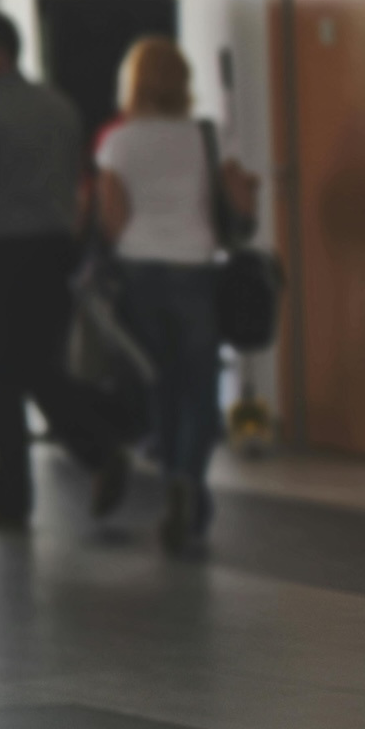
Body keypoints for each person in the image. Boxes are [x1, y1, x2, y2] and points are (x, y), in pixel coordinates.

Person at [0, 9, 130, 531]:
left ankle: (11, 497)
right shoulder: (61, 107)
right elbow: (79, 185)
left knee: (4, 380)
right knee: (43, 367)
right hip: (56, 252)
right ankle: (99, 448)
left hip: (6, 255)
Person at [95, 37, 256, 549]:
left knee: (159, 385)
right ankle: (189, 479)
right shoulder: (207, 137)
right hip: (195, 270)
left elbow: (113, 221)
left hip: (140, 272)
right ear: (185, 81)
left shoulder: (119, 142)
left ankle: (171, 485)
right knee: (200, 388)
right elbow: (240, 203)